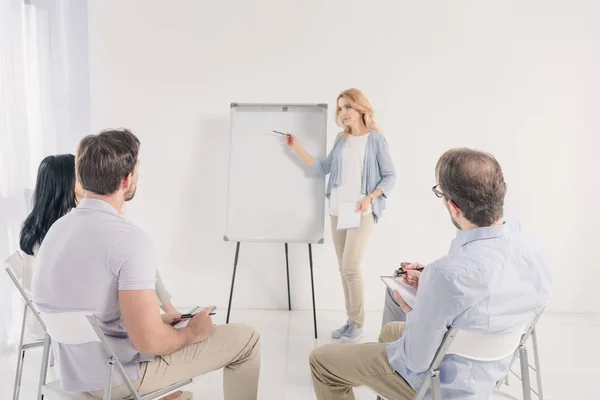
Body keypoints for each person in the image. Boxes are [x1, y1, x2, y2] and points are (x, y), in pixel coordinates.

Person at [32, 129, 261, 400]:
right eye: (137, 171)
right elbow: (148, 342)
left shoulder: (57, 230)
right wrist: (193, 333)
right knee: (247, 339)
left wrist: (154, 320)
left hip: (74, 377)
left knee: (179, 384)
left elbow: (91, 310)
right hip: (118, 379)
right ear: (126, 180)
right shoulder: (129, 240)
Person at [309, 148, 551, 400]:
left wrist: (417, 307)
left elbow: (415, 361)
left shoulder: (446, 274)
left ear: (453, 207)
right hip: (489, 371)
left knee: (322, 361)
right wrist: (431, 285)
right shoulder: (535, 252)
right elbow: (488, 288)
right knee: (391, 331)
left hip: (441, 387)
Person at [19, 154, 180, 338]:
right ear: (65, 183)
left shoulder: (37, 227)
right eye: (80, 176)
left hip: (53, 318)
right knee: (134, 258)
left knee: (132, 259)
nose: (87, 180)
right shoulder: (67, 228)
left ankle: (163, 315)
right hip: (82, 320)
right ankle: (167, 313)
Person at [286, 88, 396, 343]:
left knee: (351, 266)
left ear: (360, 109)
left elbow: (390, 176)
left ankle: (358, 324)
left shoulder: (375, 140)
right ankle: (350, 320)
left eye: (347, 107)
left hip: (362, 210)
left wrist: (370, 196)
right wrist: (297, 148)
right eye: (340, 108)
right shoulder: (341, 140)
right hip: (338, 210)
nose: (343, 113)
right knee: (343, 268)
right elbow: (323, 168)